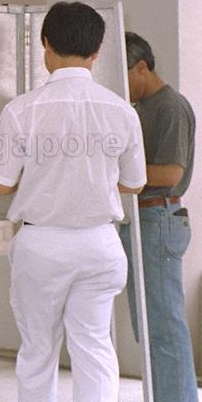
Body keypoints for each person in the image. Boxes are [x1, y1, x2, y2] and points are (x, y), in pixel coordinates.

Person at [0, 2, 146, 402]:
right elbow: (135, 183)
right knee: (94, 347)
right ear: (97, 52)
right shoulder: (121, 111)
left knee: (39, 351)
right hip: (100, 245)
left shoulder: (22, 110)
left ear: (45, 44)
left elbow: (0, 185)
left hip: (42, 247)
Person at [119, 31, 197, 402]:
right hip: (142, 222)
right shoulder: (140, 108)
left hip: (159, 220)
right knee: (148, 327)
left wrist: (120, 171)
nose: (122, 85)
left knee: (164, 327)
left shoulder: (170, 106)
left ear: (142, 67)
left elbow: (171, 174)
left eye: (125, 74)